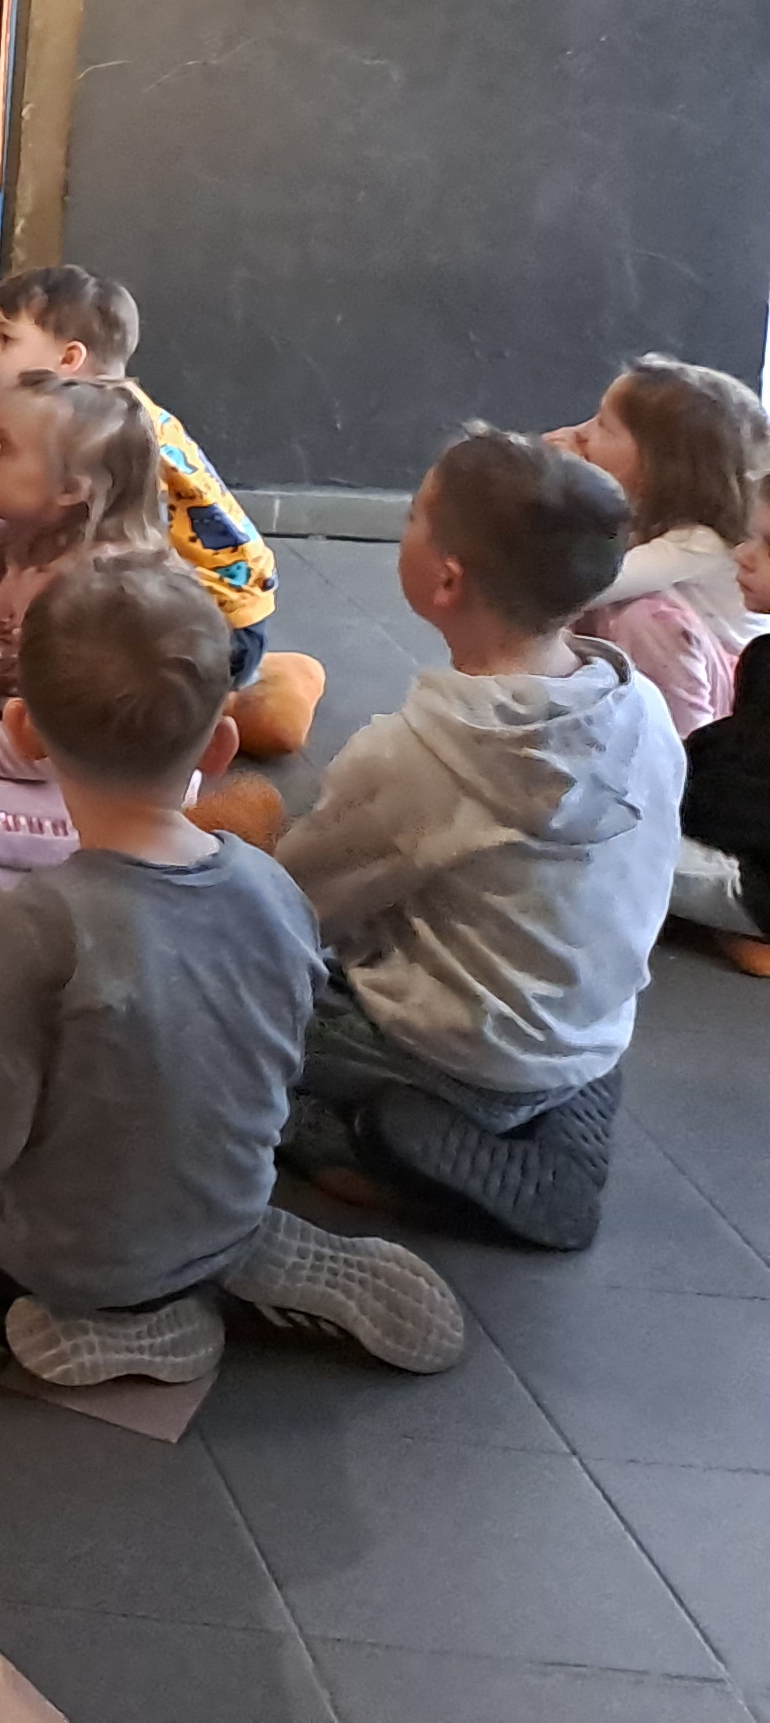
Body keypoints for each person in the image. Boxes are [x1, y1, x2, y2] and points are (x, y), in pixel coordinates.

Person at [0, 556, 468, 1387]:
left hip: (65, 1250)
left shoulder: (42, 918)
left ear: (23, 734)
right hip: (230, 1194)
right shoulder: (273, 887)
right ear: (221, 745)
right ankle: (232, 1249)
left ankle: (82, 1316)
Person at [278, 430, 682, 1252]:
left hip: (451, 1053)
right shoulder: (643, 709)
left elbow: (289, 908)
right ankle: (552, 1117)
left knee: (207, 1015)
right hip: (585, 1033)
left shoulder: (418, 756)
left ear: (447, 579)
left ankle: (372, 1145)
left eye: (415, 515)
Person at [0, 380, 169, 889]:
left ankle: (59, 889)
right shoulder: (4, 537)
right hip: (15, 733)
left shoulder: (92, 593)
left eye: (2, 445)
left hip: (88, 794)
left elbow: (42, 748)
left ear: (70, 489)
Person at [0, 266, 277, 685]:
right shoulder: (110, 414)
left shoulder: (119, 434)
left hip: (216, 623)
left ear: (70, 359)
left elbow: (137, 547)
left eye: (6, 339)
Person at [549, 353, 770, 736]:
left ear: (661, 463)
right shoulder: (641, 518)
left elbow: (585, 586)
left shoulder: (699, 542)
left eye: (603, 425)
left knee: (644, 616)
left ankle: (683, 748)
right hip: (692, 668)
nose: (580, 433)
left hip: (729, 692)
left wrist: (564, 490)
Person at [672, 519, 770, 972]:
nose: (742, 554)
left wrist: (664, 778)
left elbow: (732, 808)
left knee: (573, 836)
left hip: (760, 888)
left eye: (768, 546)